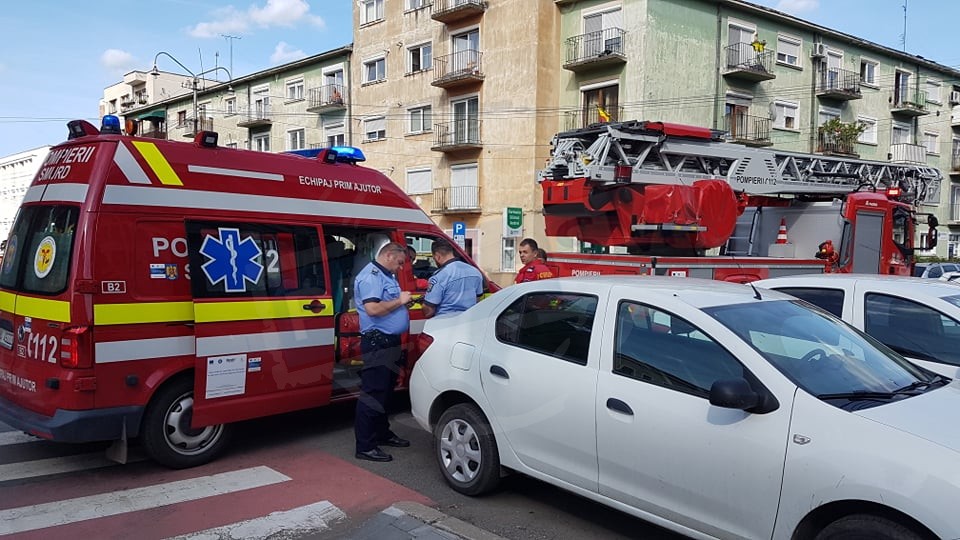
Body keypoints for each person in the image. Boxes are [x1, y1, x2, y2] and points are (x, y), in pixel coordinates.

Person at [353, 241, 413, 462]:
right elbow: (373, 309)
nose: (400, 267)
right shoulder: (371, 276)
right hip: (378, 342)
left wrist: (401, 305)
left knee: (385, 392)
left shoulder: (386, 275)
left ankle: (382, 433)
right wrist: (400, 300)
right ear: (389, 255)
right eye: (399, 262)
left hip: (389, 342)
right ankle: (366, 445)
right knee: (373, 393)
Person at [422, 240, 483, 318]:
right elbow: (478, 299)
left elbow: (428, 312)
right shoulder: (475, 272)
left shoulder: (439, 276)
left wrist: (423, 304)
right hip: (468, 322)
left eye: (434, 258)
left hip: (445, 323)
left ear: (437, 256)